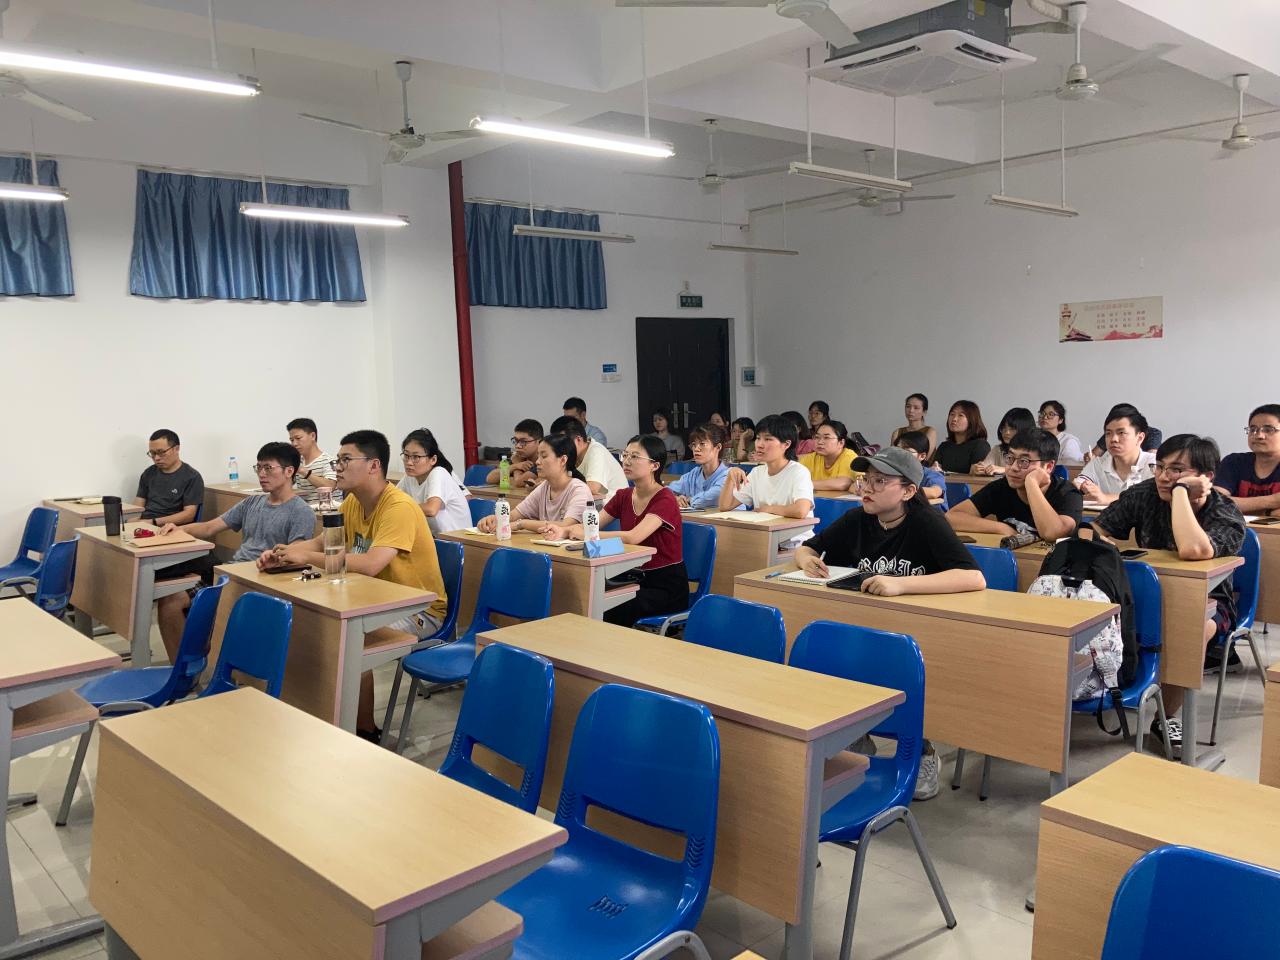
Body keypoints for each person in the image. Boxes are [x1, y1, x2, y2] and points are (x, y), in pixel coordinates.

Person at [793, 446, 985, 800]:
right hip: (868, 625)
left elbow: (974, 578)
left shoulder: (927, 522)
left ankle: (921, 751)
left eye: (880, 481)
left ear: (909, 491)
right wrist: (807, 560)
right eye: (866, 479)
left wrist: (901, 584)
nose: (867, 487)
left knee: (899, 673)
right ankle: (855, 734)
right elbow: (807, 548)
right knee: (833, 655)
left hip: (919, 631)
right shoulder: (857, 519)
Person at [263, 430, 448, 742]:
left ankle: (362, 732)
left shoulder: (399, 506)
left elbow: (372, 563)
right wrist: (283, 554)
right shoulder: (352, 503)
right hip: (368, 600)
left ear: (374, 465)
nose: (337, 467)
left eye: (345, 460)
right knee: (310, 625)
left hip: (418, 610)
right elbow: (321, 543)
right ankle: (314, 718)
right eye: (337, 460)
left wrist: (306, 556)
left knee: (345, 638)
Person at [1093, 434, 1246, 755]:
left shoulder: (1224, 512)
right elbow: (1095, 527)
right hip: (1143, 595)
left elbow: (1193, 550)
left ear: (1206, 477)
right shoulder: (1145, 493)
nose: (1163, 477)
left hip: (1210, 602)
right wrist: (1099, 542)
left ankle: (1166, 717)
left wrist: (1180, 494)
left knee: (1193, 627)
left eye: (1176, 470)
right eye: (1159, 467)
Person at [156, 442, 314, 663]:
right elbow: (210, 527)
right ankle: (181, 672)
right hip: (230, 574)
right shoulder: (252, 502)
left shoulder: (301, 511)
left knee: (210, 608)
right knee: (170, 602)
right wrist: (179, 529)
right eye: (258, 467)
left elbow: (294, 556)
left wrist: (271, 561)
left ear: (289, 471)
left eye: (268, 468)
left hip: (260, 581)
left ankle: (212, 659)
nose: (261, 474)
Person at [543, 435, 687, 627]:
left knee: (613, 605)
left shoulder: (665, 499)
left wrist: (588, 535)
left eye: (634, 456)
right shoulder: (623, 495)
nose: (626, 461)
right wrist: (565, 531)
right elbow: (593, 525)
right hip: (631, 576)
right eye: (625, 455)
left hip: (663, 586)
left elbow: (633, 537)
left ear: (654, 465)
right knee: (587, 594)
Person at [945, 427, 1082, 540]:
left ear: (1048, 466)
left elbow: (1052, 533)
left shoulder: (1068, 493)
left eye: (1024, 461)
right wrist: (1001, 528)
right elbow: (952, 517)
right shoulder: (1001, 487)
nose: (1014, 467)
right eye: (1010, 458)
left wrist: (1031, 484)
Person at [475, 432, 592, 534]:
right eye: (538, 456)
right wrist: (496, 519)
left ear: (563, 460)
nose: (537, 462)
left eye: (544, 456)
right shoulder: (544, 487)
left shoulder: (579, 489)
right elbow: (515, 514)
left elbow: (566, 525)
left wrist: (522, 524)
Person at [717, 414, 815, 530]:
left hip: (795, 537)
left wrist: (768, 509)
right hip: (765, 534)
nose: (759, 445)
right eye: (758, 438)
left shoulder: (799, 472)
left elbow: (801, 510)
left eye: (768, 439)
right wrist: (730, 477)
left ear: (786, 444)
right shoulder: (757, 473)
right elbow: (725, 506)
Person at [397, 428, 472, 535]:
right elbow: (392, 499)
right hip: (433, 538)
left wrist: (401, 507)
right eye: (406, 455)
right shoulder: (409, 477)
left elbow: (431, 509)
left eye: (416, 457)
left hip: (457, 539)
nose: (409, 462)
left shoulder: (438, 472)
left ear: (433, 460)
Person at [1075, 405, 1155, 505]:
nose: (1113, 439)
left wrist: (1106, 498)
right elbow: (1078, 483)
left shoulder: (1154, 464)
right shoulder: (1097, 464)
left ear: (1140, 438)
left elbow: (1152, 498)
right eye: (1108, 433)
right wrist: (1081, 487)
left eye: (1121, 433)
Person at [1213, 404, 1280, 516]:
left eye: (1268, 430)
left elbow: (1224, 505)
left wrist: (1240, 506)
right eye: (1253, 429)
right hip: (1235, 527)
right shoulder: (1234, 462)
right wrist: (1272, 503)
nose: (1259, 435)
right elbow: (1215, 503)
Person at [549, 415, 627, 502]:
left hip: (615, 506)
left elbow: (593, 488)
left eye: (564, 444)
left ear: (578, 440)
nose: (560, 449)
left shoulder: (596, 451)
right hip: (591, 504)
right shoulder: (570, 455)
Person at [136, 429, 204, 526]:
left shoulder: (192, 477)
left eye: (161, 452)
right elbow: (137, 507)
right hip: (145, 525)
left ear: (176, 449)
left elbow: (189, 515)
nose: (156, 458)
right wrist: (132, 523)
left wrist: (153, 522)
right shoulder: (148, 473)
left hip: (171, 528)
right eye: (152, 453)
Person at [669, 423, 729, 510]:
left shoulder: (728, 475)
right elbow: (666, 492)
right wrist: (675, 499)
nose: (696, 449)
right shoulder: (693, 475)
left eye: (702, 444)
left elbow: (713, 496)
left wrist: (689, 500)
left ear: (718, 447)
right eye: (694, 445)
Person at [800, 419, 859, 493]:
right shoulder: (811, 458)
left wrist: (804, 484)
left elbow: (843, 483)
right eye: (817, 437)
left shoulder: (849, 456)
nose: (820, 442)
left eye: (826, 438)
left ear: (841, 443)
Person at [931, 401, 991, 474]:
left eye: (961, 415)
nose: (954, 419)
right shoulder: (944, 446)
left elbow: (977, 476)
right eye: (952, 414)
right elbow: (935, 472)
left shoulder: (980, 445)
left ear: (972, 420)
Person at [974, 407, 1036, 476]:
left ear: (1025, 430)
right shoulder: (998, 449)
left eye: (1012, 429)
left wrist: (1005, 470)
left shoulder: (1035, 451)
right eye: (1003, 428)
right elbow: (984, 467)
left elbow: (1034, 473)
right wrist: (978, 469)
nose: (1007, 432)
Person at [486, 418, 543, 487]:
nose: (517, 446)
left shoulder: (542, 461)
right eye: (516, 441)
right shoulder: (518, 457)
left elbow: (518, 483)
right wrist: (515, 466)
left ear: (539, 442)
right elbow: (490, 479)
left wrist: (517, 464)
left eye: (523, 441)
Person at [286, 418, 337, 494]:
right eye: (292, 440)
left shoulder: (329, 461)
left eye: (298, 438)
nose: (294, 444)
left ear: (313, 436)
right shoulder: (298, 461)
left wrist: (303, 471)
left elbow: (330, 486)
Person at [895, 430, 946, 503]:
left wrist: (899, 491)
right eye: (898, 450)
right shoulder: (893, 473)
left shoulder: (932, 475)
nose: (900, 454)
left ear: (922, 456)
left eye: (907, 451)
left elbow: (934, 493)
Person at [891, 393, 937, 458]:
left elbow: (925, 458)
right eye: (908, 406)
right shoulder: (897, 432)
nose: (911, 410)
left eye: (916, 408)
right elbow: (892, 456)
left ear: (924, 412)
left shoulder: (930, 431)